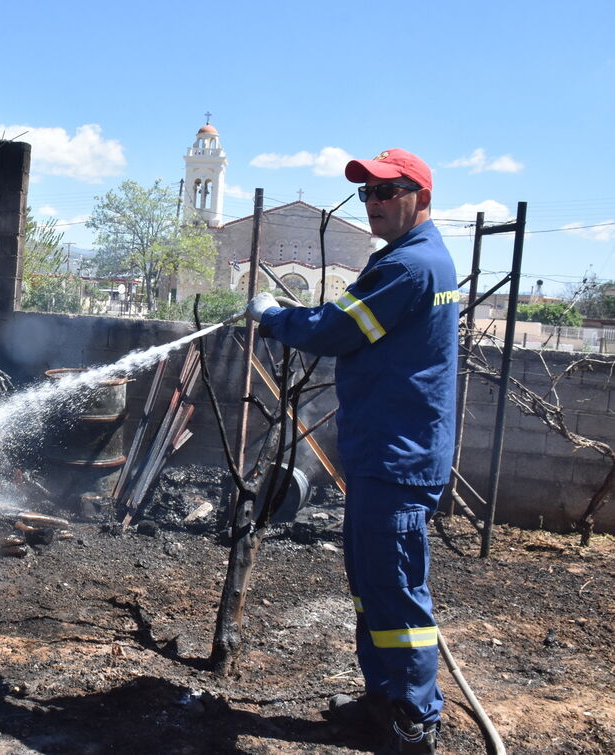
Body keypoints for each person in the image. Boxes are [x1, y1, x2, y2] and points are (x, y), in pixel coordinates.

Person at [246, 149, 459, 754]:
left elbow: (334, 331)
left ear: (419, 195)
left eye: (387, 191)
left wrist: (272, 317)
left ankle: (413, 723)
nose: (374, 203)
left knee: (392, 590)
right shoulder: (413, 261)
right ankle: (384, 701)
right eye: (367, 193)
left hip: (397, 456)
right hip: (387, 451)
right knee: (372, 585)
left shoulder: (410, 268)